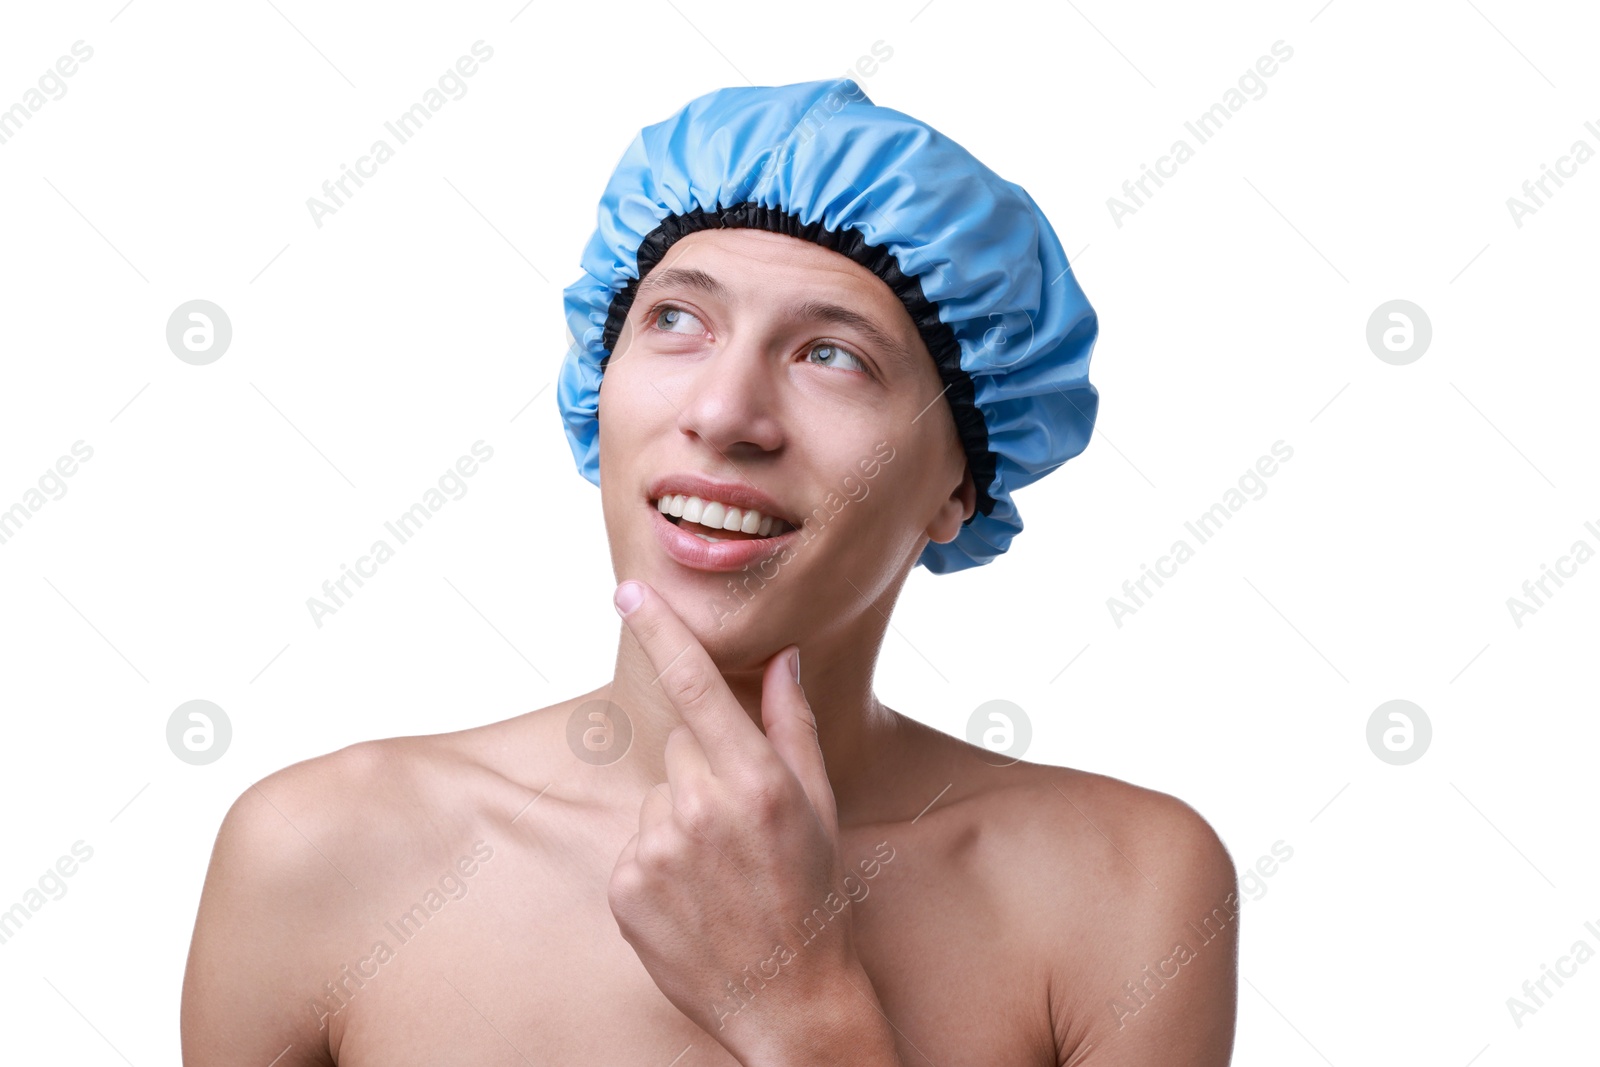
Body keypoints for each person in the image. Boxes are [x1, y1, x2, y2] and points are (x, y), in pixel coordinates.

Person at [181, 78, 1238, 1066]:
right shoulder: (317, 855)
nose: (724, 413)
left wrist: (800, 1010)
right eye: (677, 319)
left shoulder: (1122, 889)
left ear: (959, 486)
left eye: (833, 353)